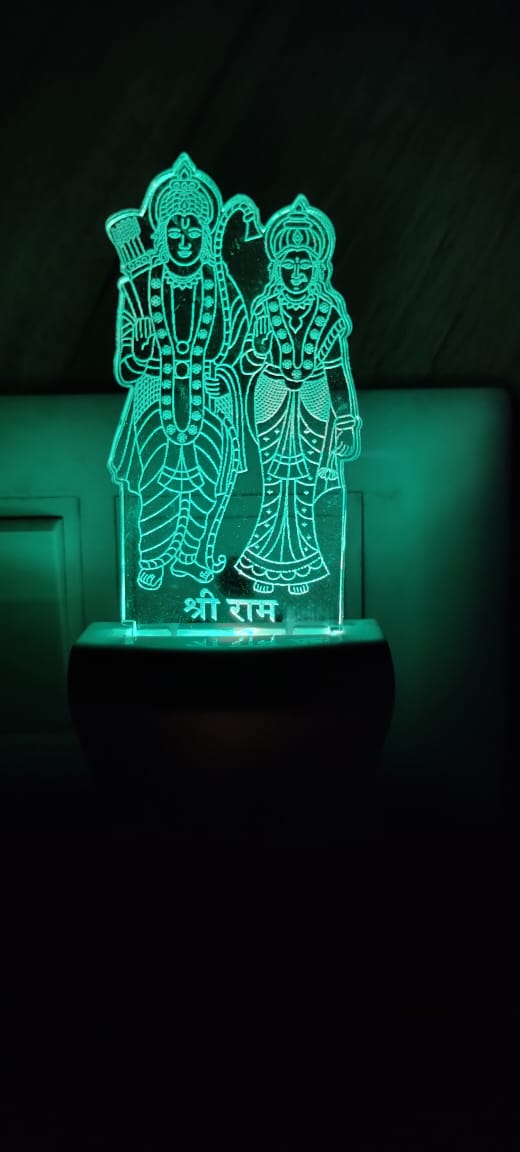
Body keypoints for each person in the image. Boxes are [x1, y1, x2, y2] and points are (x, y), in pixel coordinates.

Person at [106, 153, 260, 591]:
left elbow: (237, 346)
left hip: (210, 400)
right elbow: (126, 366)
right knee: (157, 485)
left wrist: (220, 373)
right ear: (160, 233)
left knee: (208, 483)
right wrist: (141, 355)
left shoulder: (220, 283)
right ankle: (153, 559)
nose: (184, 237)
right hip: (154, 401)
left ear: (206, 232)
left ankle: (192, 555)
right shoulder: (140, 286)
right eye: (174, 228)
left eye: (194, 228)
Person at [234, 194, 362, 597]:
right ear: (276, 265)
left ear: (319, 265)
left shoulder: (329, 310)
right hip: (271, 395)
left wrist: (346, 420)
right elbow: (248, 359)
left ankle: (302, 564)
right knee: (274, 483)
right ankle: (263, 561)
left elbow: (338, 372)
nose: (296, 271)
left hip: (314, 397)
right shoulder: (265, 307)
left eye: (305, 262)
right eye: (289, 262)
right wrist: (258, 350)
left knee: (304, 485)